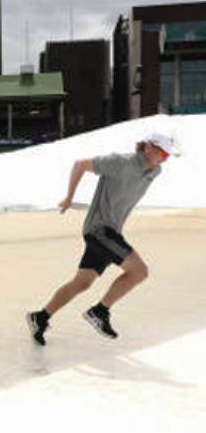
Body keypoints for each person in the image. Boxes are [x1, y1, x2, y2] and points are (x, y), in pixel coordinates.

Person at [27, 132, 179, 346]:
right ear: (148, 148)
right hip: (99, 230)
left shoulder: (155, 171)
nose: (165, 159)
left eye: (168, 156)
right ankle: (99, 311)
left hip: (111, 232)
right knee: (139, 271)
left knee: (82, 283)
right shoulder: (120, 162)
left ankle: (40, 318)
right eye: (163, 153)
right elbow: (80, 164)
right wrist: (70, 197)